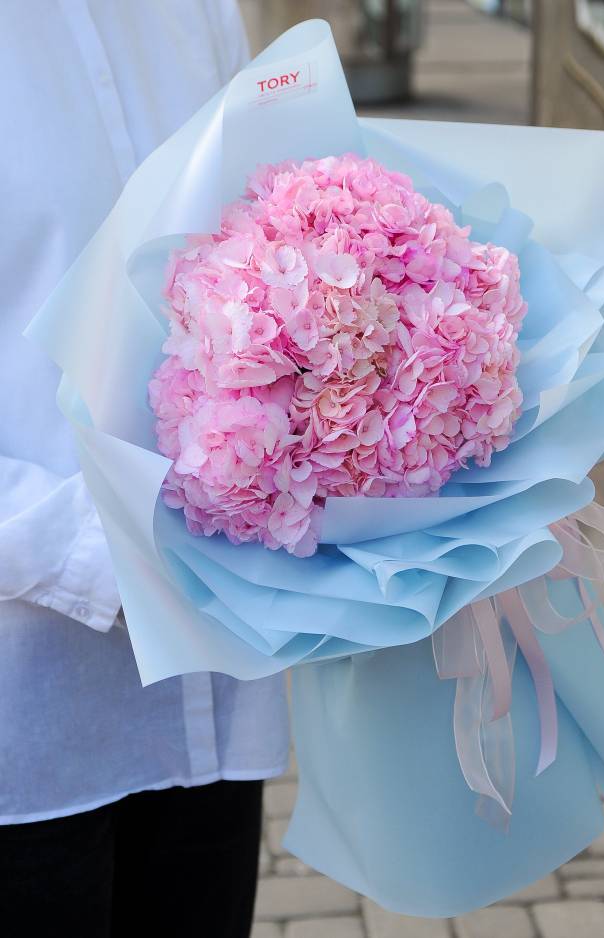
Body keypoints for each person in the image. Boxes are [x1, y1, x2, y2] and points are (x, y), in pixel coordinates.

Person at [0, 3, 289, 936]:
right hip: (24, 721)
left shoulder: (192, 10)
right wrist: (108, 537)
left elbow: (261, 258)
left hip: (205, 701)